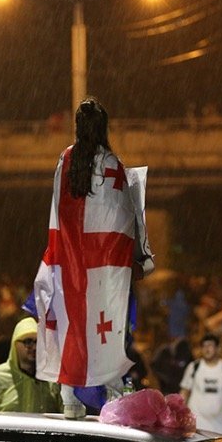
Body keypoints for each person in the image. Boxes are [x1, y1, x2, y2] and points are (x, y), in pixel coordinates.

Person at [29, 97, 154, 419]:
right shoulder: (112, 164)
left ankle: (70, 399)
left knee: (72, 325)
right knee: (108, 327)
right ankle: (114, 396)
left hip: (70, 263)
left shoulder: (66, 161)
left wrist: (59, 256)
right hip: (107, 268)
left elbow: (56, 213)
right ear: (103, 127)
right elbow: (128, 218)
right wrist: (138, 256)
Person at [0, 317, 63, 413]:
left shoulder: (52, 381)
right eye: (28, 342)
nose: (34, 347)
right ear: (15, 344)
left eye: (37, 342)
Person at [180, 333, 222, 436]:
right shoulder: (194, 367)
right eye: (204, 346)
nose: (207, 349)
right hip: (197, 424)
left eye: (210, 346)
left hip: (221, 425)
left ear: (217, 348)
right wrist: (181, 411)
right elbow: (184, 391)